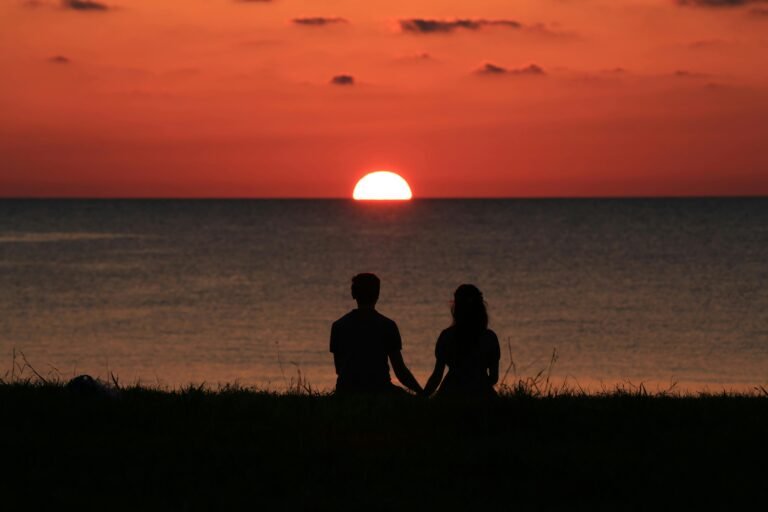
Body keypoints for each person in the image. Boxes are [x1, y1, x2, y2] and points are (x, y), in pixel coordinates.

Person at [330, 273, 423, 395]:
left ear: (353, 294)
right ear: (377, 295)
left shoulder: (338, 326)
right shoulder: (388, 326)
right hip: (380, 389)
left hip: (346, 390)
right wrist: (422, 393)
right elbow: (400, 370)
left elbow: (339, 369)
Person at [423, 284, 500, 398]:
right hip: (482, 394)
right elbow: (493, 377)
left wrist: (422, 396)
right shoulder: (489, 338)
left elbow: (437, 376)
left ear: (456, 309)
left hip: (451, 393)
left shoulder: (446, 336)